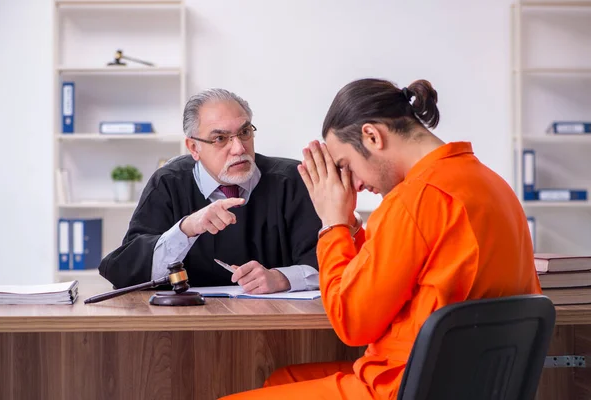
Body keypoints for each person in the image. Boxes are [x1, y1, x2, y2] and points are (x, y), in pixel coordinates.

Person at [221, 78, 542, 399]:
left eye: (347, 165)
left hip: (406, 386)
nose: (356, 185)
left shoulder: (414, 200)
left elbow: (352, 324)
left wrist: (332, 224)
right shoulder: (490, 183)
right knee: (283, 379)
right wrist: (350, 228)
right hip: (469, 379)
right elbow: (393, 275)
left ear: (372, 136)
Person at [98, 88, 328, 294]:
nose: (239, 148)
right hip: (187, 326)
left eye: (245, 132)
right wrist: (186, 229)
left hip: (277, 325)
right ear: (193, 148)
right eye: (220, 138)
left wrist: (282, 279)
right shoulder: (168, 182)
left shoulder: (291, 179)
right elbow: (124, 271)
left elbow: (330, 263)